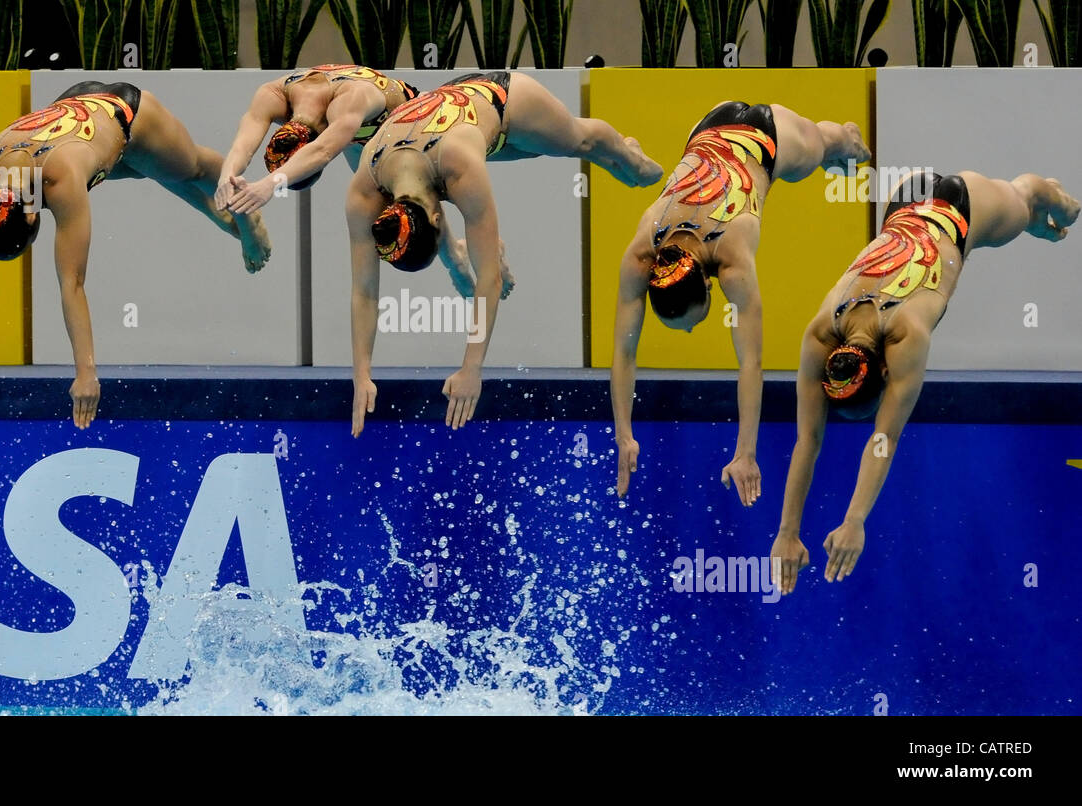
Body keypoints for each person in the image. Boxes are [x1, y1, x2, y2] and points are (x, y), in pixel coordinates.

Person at [0, 80, 271, 433]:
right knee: (142, 167)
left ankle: (243, 215)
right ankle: (212, 211)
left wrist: (86, 373)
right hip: (74, 106)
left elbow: (72, 284)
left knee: (192, 167)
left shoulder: (60, 178)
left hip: (126, 113)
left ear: (33, 212)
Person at [770, 170, 1077, 593]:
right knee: (1020, 219)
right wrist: (787, 532)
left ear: (884, 372)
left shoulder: (906, 335)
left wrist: (855, 520)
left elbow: (883, 439)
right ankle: (1035, 221)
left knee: (1027, 199)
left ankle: (1050, 200)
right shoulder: (822, 332)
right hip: (903, 201)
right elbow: (807, 440)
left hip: (961, 207)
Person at [347, 71, 664, 436]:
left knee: (580, 142)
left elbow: (490, 280)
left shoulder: (459, 166)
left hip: (503, 99)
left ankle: (632, 157)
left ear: (439, 217)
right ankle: (463, 258)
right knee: (532, 157)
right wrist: (361, 375)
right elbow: (364, 292)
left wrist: (471, 368)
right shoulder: (365, 187)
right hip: (447, 133)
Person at [611, 101, 871, 503]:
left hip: (769, 140)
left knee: (827, 144)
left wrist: (746, 453)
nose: (696, 328)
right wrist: (623, 434)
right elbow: (624, 354)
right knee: (819, 146)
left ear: (712, 285)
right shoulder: (642, 251)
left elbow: (750, 362)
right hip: (707, 124)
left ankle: (847, 142)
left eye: (696, 320)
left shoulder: (732, 259)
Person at [216, 64, 420, 215]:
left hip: (415, 120)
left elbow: (322, 151)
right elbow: (242, 146)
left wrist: (271, 184)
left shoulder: (349, 101)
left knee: (415, 202)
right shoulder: (274, 94)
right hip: (361, 133)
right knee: (375, 202)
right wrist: (227, 176)